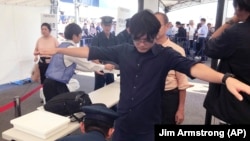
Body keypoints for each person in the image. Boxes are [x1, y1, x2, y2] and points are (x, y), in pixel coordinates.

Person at [39, 10, 250, 141]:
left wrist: (225, 78)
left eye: (147, 40)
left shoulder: (166, 55)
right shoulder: (123, 50)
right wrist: (61, 50)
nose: (141, 44)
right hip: (121, 125)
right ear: (132, 34)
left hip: (148, 129)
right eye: (137, 39)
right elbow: (90, 52)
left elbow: (194, 68)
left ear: (156, 34)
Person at [204, 0, 250, 124]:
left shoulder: (238, 32)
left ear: (240, 8)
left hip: (237, 104)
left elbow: (210, 47)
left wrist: (232, 20)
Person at [43, 23, 115, 102]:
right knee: (63, 109)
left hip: (49, 83)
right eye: (80, 34)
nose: (81, 37)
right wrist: (104, 67)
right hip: (56, 85)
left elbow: (76, 65)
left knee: (55, 108)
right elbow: (86, 64)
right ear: (74, 36)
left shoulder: (61, 46)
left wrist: (95, 69)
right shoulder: (71, 49)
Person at [155, 12, 193, 125]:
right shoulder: (145, 48)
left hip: (168, 98)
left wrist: (180, 109)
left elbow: (182, 83)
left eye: (158, 25)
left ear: (167, 26)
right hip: (149, 97)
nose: (154, 28)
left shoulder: (177, 50)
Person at [91, 16, 118, 91]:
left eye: (109, 25)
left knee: (111, 88)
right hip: (100, 67)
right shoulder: (97, 38)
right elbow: (93, 55)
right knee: (98, 89)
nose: (107, 27)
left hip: (111, 67)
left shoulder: (114, 38)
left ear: (111, 25)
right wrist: (101, 66)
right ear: (102, 25)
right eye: (105, 25)